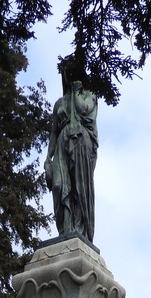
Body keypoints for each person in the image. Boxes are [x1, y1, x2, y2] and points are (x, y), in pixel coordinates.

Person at [44, 56, 98, 242]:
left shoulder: (89, 95)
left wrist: (76, 92)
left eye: (72, 72)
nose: (69, 76)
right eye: (66, 73)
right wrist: (48, 159)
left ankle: (78, 230)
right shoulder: (59, 103)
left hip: (81, 142)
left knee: (78, 189)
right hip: (62, 143)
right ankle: (65, 230)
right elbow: (54, 133)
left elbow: (83, 109)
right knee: (59, 186)